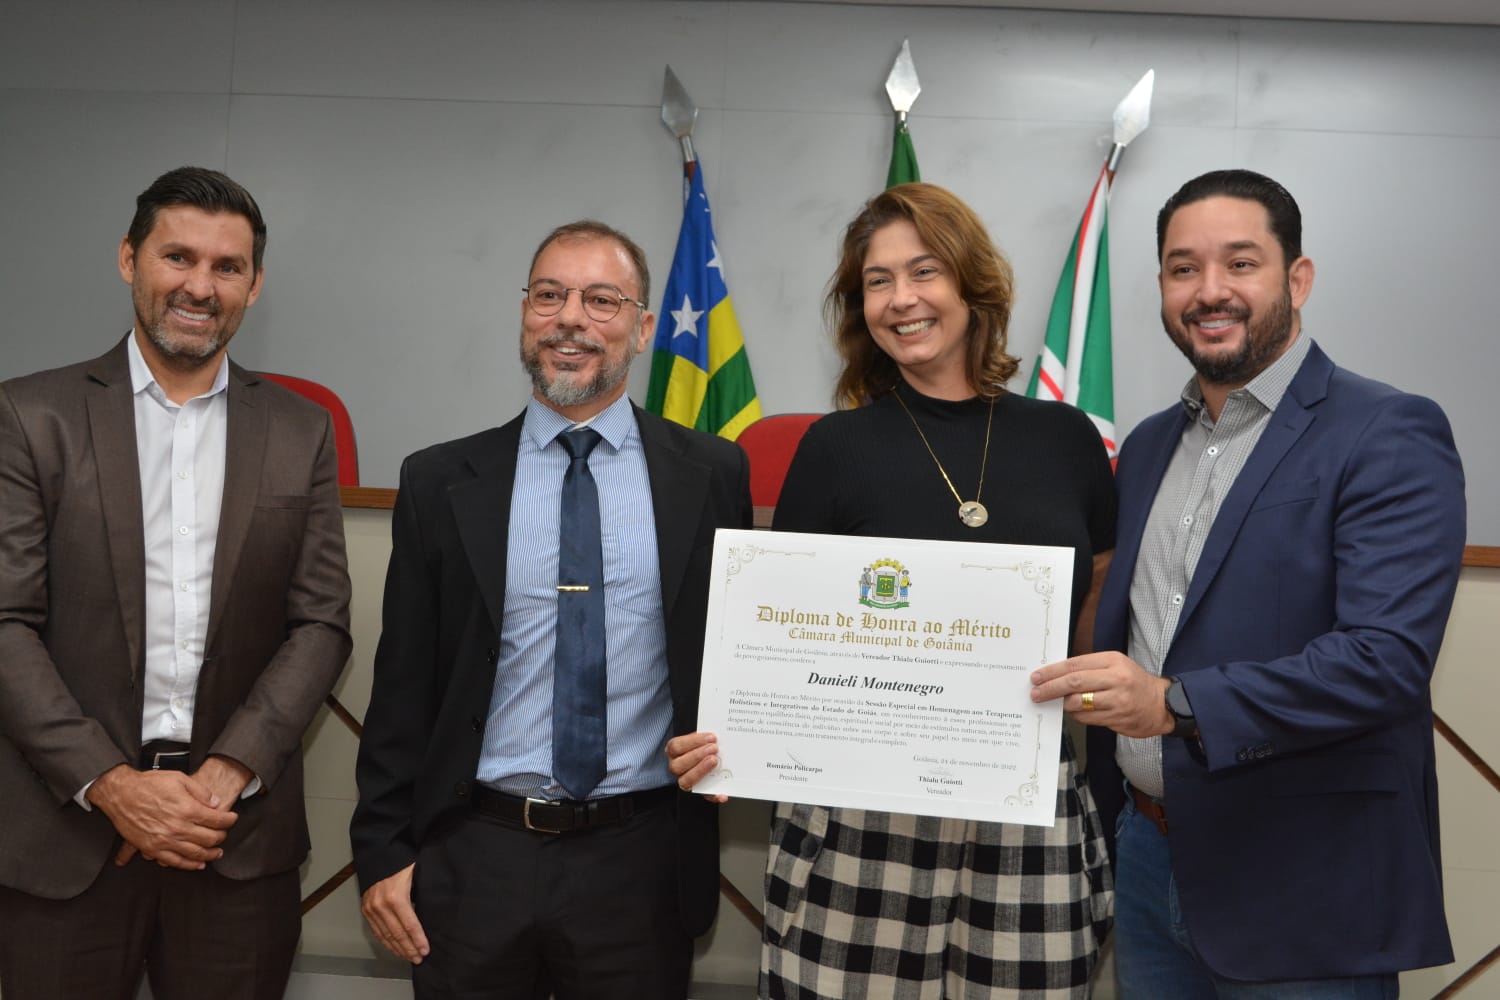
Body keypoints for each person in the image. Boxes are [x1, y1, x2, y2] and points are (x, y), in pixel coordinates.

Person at [669, 183, 1116, 998]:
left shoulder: (1067, 440)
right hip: (857, 824)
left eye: (924, 271)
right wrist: (736, 737)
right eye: (877, 281)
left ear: (973, 284)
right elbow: (779, 641)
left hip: (1027, 813)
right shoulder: (833, 448)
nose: (901, 298)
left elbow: (1095, 610)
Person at [1030, 169, 1466, 998]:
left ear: (1297, 279)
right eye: (1183, 268)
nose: (1209, 291)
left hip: (1304, 877)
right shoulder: (1148, 447)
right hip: (1148, 858)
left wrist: (1174, 704)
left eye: (1240, 263)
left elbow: (1384, 661)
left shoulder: (1386, 430)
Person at [350, 220, 752, 1000]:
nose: (570, 319)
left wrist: (743, 739)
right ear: (524, 313)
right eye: (549, 295)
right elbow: (403, 686)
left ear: (643, 327)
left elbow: (728, 652)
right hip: (475, 856)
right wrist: (384, 849)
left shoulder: (710, 474)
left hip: (640, 861)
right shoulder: (440, 481)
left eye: (601, 300)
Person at [0, 166, 353, 1000]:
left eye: (227, 267)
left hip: (233, 838)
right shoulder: (30, 416)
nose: (200, 286)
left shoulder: (301, 431)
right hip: (66, 839)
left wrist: (229, 771)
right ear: (130, 259)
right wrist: (112, 785)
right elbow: (6, 622)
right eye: (178, 257)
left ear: (254, 285)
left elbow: (321, 623)